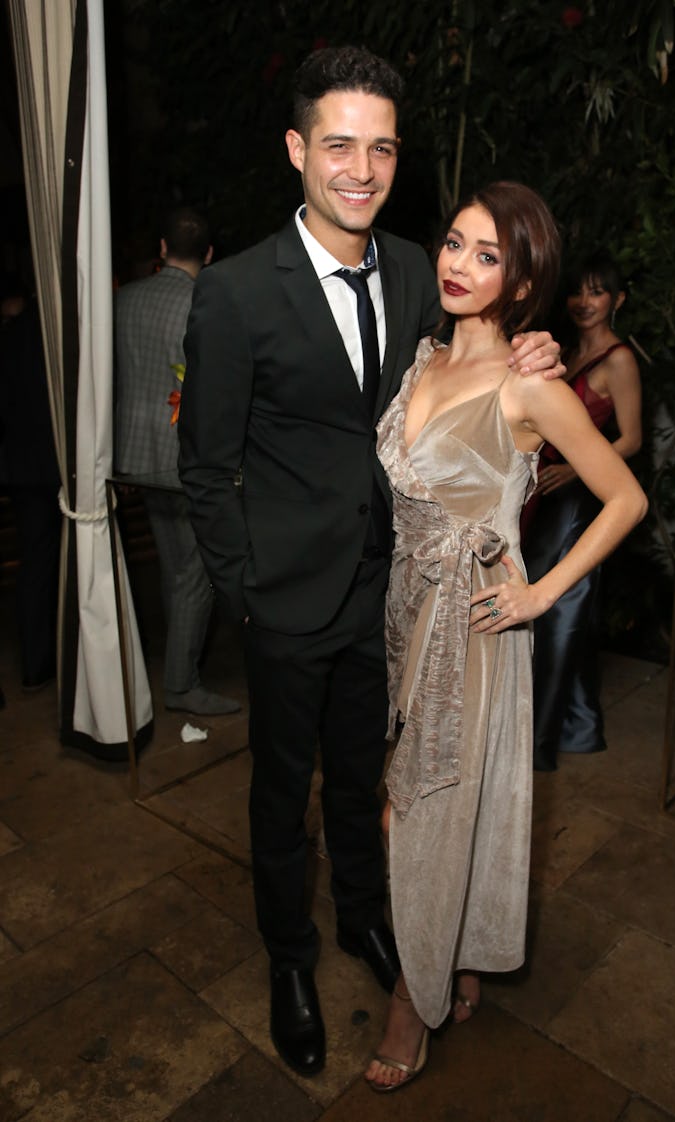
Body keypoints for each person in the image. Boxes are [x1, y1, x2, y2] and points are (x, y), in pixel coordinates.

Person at [178, 47, 563, 1079]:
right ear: (297, 148)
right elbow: (204, 467)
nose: (361, 169)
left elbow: (472, 366)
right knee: (280, 797)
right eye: (339, 144)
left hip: (391, 595)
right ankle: (289, 960)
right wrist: (247, 592)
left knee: (362, 780)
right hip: (283, 601)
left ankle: (362, 918)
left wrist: (534, 347)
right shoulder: (235, 293)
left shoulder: (416, 270)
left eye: (382, 148)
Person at [365, 183, 647, 1091]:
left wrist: (540, 596)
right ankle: (463, 957)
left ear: (522, 283)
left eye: (488, 256)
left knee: (414, 811)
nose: (459, 264)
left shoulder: (532, 384)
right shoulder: (421, 357)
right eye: (455, 243)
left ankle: (411, 999)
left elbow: (626, 498)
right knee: (455, 798)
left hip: (476, 618)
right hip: (406, 608)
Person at [115, 207, 240, 717]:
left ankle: (176, 662)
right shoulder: (204, 302)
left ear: (162, 248)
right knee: (196, 570)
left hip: (132, 453)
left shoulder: (123, 300)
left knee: (174, 564)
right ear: (208, 254)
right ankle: (181, 684)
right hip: (185, 459)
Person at [522, 251, 642, 771]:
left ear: (618, 300)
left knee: (559, 616)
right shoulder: (564, 352)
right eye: (577, 291)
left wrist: (573, 470)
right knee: (546, 614)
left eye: (597, 291)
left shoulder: (620, 360)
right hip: (543, 495)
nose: (584, 301)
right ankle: (575, 723)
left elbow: (632, 439)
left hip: (578, 501)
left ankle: (538, 742)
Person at [0, 275, 61, 693]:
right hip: (57, 465)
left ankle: (36, 661)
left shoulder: (12, 334)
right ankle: (59, 655)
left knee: (36, 561)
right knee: (58, 559)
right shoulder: (64, 332)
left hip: (22, 466)